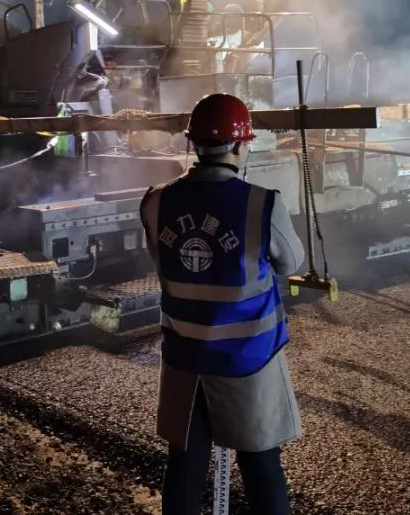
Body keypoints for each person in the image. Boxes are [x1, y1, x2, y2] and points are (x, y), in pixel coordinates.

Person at [140, 93, 305, 515]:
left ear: (193, 143)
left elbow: (162, 259)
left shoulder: (155, 201)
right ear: (239, 146)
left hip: (184, 360)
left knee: (184, 468)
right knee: (260, 467)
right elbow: (291, 263)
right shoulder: (262, 203)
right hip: (247, 360)